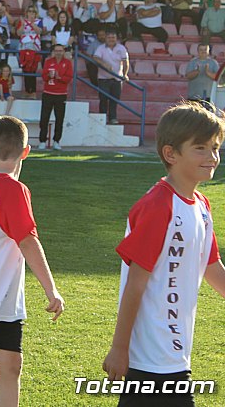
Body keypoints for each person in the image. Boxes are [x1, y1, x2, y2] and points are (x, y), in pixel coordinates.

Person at [103, 101, 225, 407]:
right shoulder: (158, 205)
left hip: (174, 352)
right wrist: (120, 348)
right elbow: (136, 283)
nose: (212, 157)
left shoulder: (201, 205)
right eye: (200, 148)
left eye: (215, 147)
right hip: (149, 357)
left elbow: (211, 266)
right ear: (171, 153)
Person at [0, 116, 65, 407]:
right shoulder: (13, 189)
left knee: (12, 365)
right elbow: (27, 241)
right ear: (26, 151)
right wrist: (51, 290)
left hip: (5, 303)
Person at [39, 44, 73, 151]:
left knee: (59, 119)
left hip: (61, 94)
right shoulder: (48, 61)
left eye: (60, 51)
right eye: (56, 50)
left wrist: (60, 77)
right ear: (53, 52)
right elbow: (43, 76)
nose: (58, 52)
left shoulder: (67, 63)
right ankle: (42, 141)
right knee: (44, 118)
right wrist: (49, 76)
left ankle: (56, 141)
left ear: (63, 52)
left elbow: (69, 78)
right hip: (48, 93)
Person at [93, 30, 129, 125]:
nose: (111, 39)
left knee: (115, 99)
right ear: (105, 38)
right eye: (109, 38)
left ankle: (113, 118)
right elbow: (96, 58)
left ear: (116, 39)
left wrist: (125, 74)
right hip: (103, 78)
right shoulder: (101, 48)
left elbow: (125, 62)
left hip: (117, 78)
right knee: (103, 98)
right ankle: (102, 117)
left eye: (113, 37)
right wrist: (104, 64)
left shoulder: (121, 48)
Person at [17, 5, 42, 99]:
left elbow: (39, 31)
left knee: (32, 69)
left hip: (34, 47)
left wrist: (32, 23)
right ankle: (27, 90)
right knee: (25, 68)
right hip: (24, 47)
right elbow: (18, 33)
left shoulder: (39, 21)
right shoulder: (22, 21)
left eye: (33, 12)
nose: (31, 13)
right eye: (30, 11)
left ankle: (33, 91)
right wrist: (23, 24)